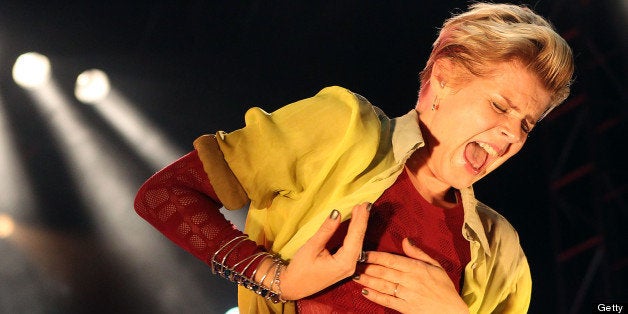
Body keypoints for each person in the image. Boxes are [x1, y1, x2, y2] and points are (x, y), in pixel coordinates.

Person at [134, 2, 573, 313]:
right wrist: (276, 278)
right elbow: (165, 194)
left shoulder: (503, 249)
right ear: (444, 80)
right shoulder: (344, 128)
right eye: (500, 106)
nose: (513, 133)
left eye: (527, 124)